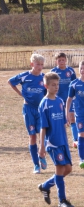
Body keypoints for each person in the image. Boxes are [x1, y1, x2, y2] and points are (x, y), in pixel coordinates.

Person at [38, 72, 74, 207]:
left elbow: (64, 124)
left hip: (63, 141)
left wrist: (67, 140)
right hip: (53, 143)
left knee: (68, 169)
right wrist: (41, 146)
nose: (56, 87)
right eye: (53, 85)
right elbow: (43, 128)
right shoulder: (44, 104)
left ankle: (45, 186)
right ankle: (62, 201)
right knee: (59, 169)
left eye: (57, 84)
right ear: (46, 86)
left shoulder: (60, 101)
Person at [8, 54, 47, 174]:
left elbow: (48, 90)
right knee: (32, 136)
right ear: (32, 64)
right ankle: (36, 165)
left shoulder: (44, 77)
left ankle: (42, 155)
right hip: (28, 109)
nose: (40, 67)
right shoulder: (25, 76)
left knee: (42, 134)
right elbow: (10, 81)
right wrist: (19, 93)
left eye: (41, 65)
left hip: (40, 110)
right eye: (37, 64)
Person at [51, 52, 77, 148]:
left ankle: (76, 140)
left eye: (63, 60)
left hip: (70, 99)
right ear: (56, 61)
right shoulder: (53, 72)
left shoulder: (70, 71)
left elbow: (74, 83)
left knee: (72, 119)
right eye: (59, 60)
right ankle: (60, 140)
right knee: (59, 119)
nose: (61, 62)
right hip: (57, 100)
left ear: (66, 60)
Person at [66, 61, 84, 169]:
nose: (83, 70)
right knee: (81, 135)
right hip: (80, 114)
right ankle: (82, 159)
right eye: (81, 68)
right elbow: (69, 99)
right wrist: (66, 113)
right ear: (79, 69)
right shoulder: (74, 84)